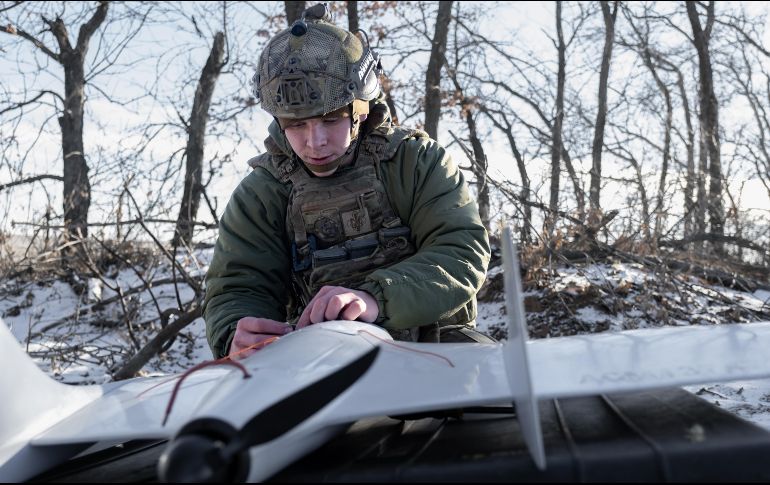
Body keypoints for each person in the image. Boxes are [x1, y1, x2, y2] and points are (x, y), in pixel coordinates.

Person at [204, 4, 491, 359]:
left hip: (435, 348)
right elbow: (238, 285)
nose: (314, 141)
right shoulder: (262, 194)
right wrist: (237, 331)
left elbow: (460, 251)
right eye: (296, 125)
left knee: (499, 388)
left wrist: (374, 298)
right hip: (319, 361)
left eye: (330, 119)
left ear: (361, 109)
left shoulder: (417, 162)